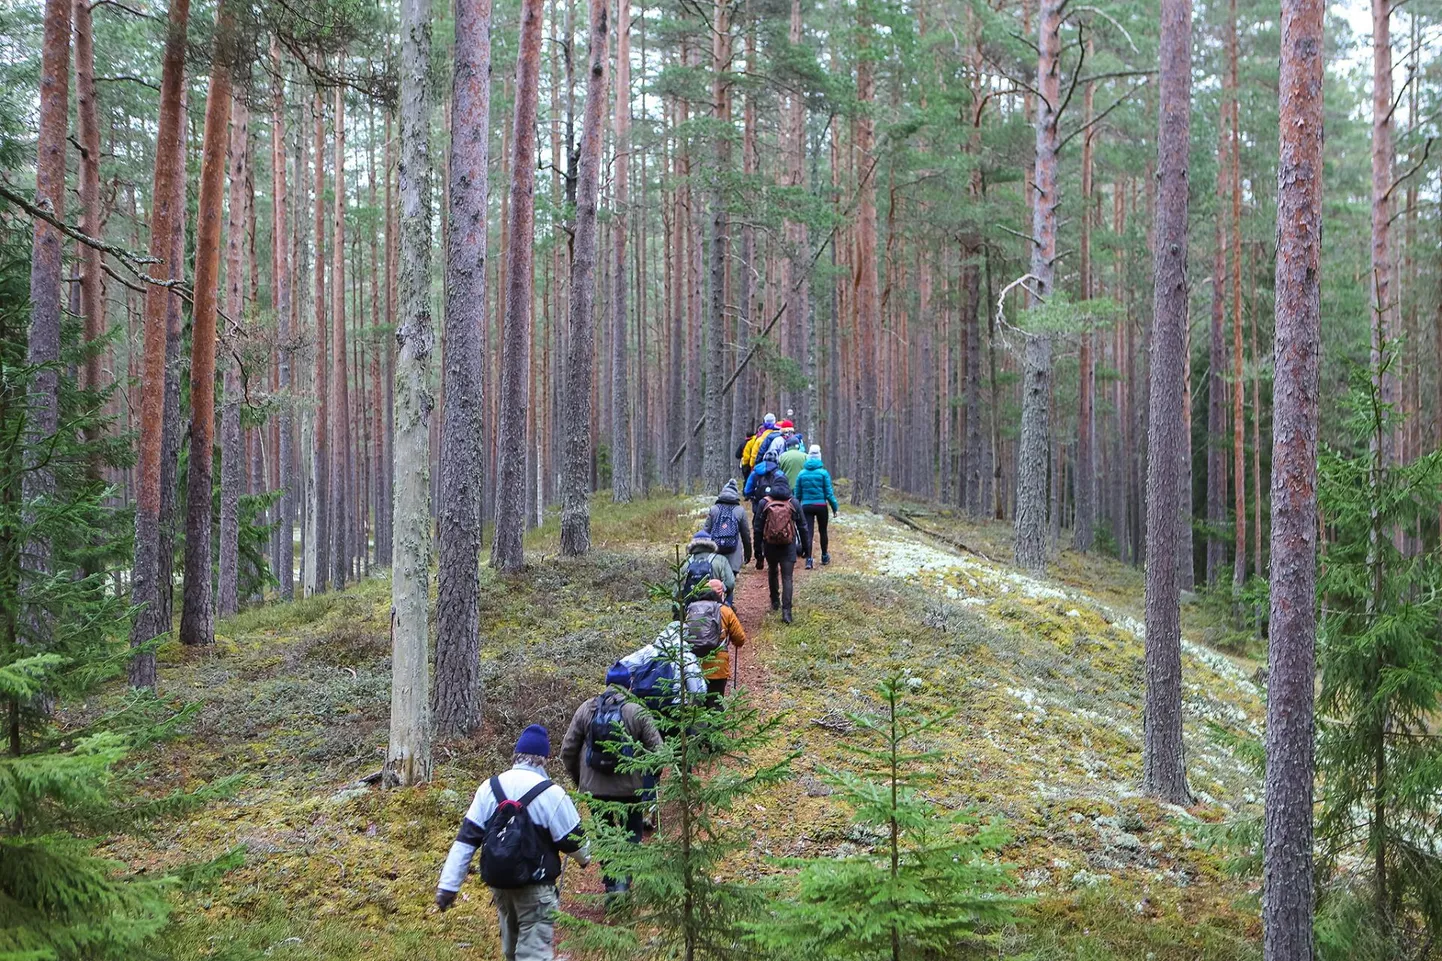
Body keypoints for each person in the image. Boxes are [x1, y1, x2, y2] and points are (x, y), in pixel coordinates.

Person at [434, 725, 590, 961]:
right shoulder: (552, 793)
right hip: (536, 889)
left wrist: (448, 886)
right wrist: (584, 858)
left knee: (510, 951)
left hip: (500, 886)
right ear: (543, 760)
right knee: (533, 954)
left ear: (516, 756)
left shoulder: (489, 788)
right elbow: (575, 841)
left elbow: (466, 840)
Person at [559, 665, 664, 894]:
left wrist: (580, 780)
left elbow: (567, 750)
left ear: (606, 683)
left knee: (604, 834)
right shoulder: (637, 711)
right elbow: (658, 750)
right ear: (629, 685)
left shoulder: (587, 709)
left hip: (595, 789)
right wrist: (652, 777)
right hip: (630, 789)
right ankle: (623, 882)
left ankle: (610, 883)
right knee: (632, 832)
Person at [751, 472, 807, 623]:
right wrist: (806, 549)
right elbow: (803, 526)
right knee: (787, 577)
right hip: (788, 545)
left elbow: (757, 528)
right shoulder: (793, 502)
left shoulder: (764, 502)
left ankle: (775, 602)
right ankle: (786, 613)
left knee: (773, 571)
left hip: (770, 544)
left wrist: (758, 551)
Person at [682, 578, 748, 700]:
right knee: (715, 704)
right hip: (718, 667)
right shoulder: (725, 611)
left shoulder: (691, 609)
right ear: (721, 594)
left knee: (696, 704)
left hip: (694, 665)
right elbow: (740, 638)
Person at [705, 480, 751, 603]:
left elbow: (706, 532)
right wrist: (748, 553)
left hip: (715, 553)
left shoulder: (714, 509)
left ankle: (715, 609)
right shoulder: (739, 511)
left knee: (715, 583)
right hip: (733, 553)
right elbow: (745, 534)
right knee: (729, 583)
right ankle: (728, 608)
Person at [795, 444, 839, 569]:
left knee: (808, 532)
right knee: (823, 531)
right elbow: (829, 493)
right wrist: (834, 507)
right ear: (819, 457)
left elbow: (797, 494)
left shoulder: (801, 474)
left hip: (806, 506)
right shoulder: (823, 473)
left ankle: (809, 559)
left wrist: (795, 508)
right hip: (821, 505)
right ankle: (824, 556)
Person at [683, 531, 734, 602]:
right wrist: (722, 588)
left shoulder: (685, 562)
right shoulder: (720, 559)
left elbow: (677, 588)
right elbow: (730, 583)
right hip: (715, 605)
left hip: (690, 607)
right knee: (730, 594)